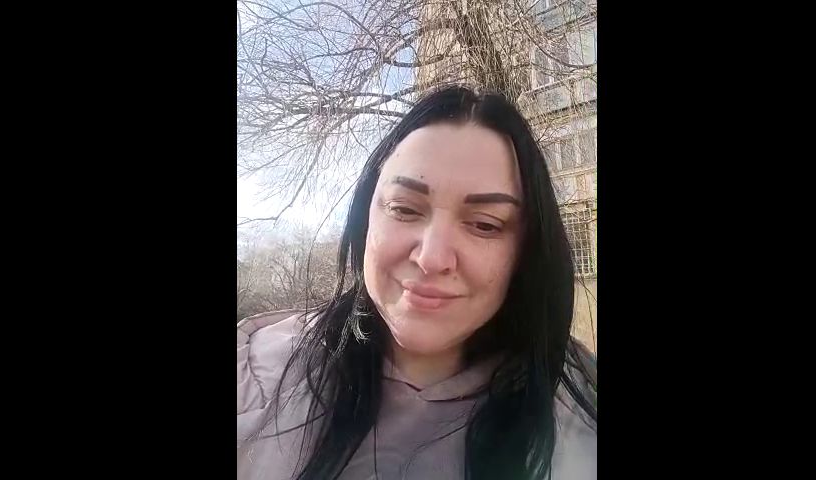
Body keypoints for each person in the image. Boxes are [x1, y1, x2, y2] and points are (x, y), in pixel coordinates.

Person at [237, 85, 597, 479]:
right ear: (365, 219)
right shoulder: (253, 379)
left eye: (484, 224)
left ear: (526, 250)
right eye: (404, 209)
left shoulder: (583, 419)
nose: (431, 258)